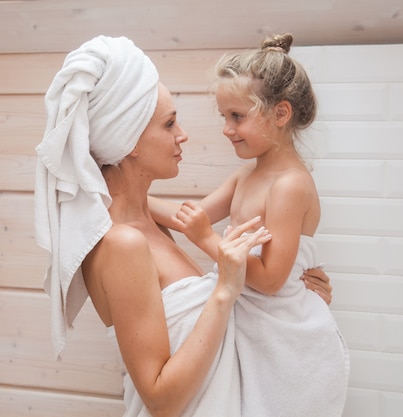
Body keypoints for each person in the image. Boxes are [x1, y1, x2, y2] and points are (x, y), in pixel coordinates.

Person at [34, 35, 333, 417]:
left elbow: (197, 232)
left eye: (236, 116)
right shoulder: (123, 243)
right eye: (170, 122)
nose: (184, 134)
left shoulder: (152, 226)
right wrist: (226, 287)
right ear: (131, 141)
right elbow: (161, 399)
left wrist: (297, 300)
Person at [149, 33, 349, 416]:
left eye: (237, 116)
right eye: (225, 116)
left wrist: (208, 239)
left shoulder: (290, 185)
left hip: (281, 325)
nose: (227, 128)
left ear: (280, 114)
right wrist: (123, 196)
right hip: (248, 309)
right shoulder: (246, 177)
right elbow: (188, 218)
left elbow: (273, 280)